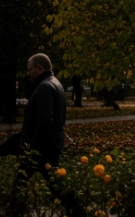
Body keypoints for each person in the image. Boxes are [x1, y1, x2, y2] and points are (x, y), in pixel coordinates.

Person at [12, 54, 82, 216]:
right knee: (53, 182)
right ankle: (77, 210)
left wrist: (32, 147)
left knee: (22, 182)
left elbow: (44, 120)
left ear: (39, 68)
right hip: (51, 145)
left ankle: (14, 211)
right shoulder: (55, 84)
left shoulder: (44, 87)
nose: (27, 73)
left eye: (30, 69)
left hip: (42, 148)